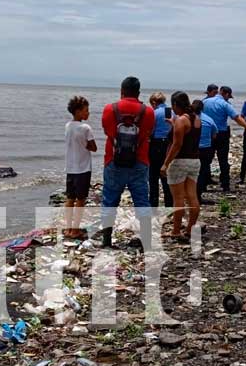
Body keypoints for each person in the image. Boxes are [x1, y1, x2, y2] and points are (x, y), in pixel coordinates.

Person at [100, 76, 155, 248]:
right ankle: (146, 239)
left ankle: (107, 240)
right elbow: (148, 133)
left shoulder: (110, 109)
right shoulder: (148, 112)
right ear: (139, 93)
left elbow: (107, 132)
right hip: (139, 161)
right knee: (142, 201)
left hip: (113, 161)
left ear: (121, 91)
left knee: (109, 201)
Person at [160, 92, 202, 241]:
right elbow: (189, 136)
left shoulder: (181, 120)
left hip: (179, 162)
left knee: (178, 198)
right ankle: (190, 229)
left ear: (176, 105)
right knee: (192, 196)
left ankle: (176, 231)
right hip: (195, 161)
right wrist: (174, 124)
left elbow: (177, 145)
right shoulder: (197, 119)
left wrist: (165, 163)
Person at [202, 86, 246, 192]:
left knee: (206, 159)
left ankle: (204, 183)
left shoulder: (205, 102)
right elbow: (236, 117)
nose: (228, 98)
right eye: (228, 96)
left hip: (207, 133)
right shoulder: (225, 104)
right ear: (225, 94)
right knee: (223, 160)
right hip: (221, 133)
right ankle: (225, 184)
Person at [64, 96, 97, 239]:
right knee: (81, 200)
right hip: (83, 168)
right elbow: (93, 147)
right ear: (78, 111)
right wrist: (87, 145)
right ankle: (75, 230)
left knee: (70, 199)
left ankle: (69, 228)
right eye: (86, 110)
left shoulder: (68, 125)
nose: (88, 113)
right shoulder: (85, 128)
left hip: (70, 167)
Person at [148, 92, 173, 208]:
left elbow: (151, 131)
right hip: (169, 144)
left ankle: (154, 204)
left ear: (154, 102)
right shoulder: (172, 112)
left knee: (153, 175)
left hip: (156, 144)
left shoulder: (154, 113)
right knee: (166, 175)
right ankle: (169, 203)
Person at [194, 99, 219, 205]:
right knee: (202, 172)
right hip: (205, 149)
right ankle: (198, 196)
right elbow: (214, 134)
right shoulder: (209, 120)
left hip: (193, 149)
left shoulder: (188, 119)